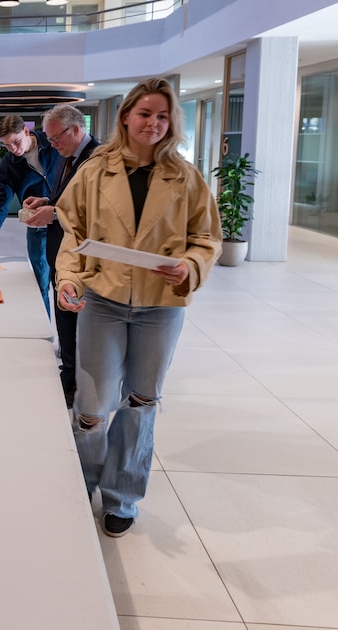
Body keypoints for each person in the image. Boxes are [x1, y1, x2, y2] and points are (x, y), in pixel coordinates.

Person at [54, 78, 221, 538]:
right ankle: (81, 484)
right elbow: (72, 232)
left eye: (162, 116)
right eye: (145, 113)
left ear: (172, 123)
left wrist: (190, 265)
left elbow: (206, 239)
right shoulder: (94, 171)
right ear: (126, 116)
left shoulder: (185, 177)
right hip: (103, 301)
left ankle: (121, 496)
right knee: (91, 407)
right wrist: (68, 278)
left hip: (160, 307)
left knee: (141, 402)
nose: (153, 123)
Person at [22, 104, 101, 408]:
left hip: (82, 259)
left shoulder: (97, 159)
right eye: (50, 140)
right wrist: (47, 200)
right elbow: (67, 198)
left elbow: (92, 213)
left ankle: (80, 382)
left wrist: (53, 213)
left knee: (77, 319)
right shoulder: (67, 157)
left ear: (76, 129)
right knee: (64, 316)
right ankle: (68, 372)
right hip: (61, 253)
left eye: (56, 139)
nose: (53, 145)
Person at [0, 115, 58, 314]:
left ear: (26, 132)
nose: (14, 149)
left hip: (67, 223)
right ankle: (44, 337)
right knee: (40, 285)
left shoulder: (52, 142)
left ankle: (67, 343)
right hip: (38, 229)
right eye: (7, 145)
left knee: (65, 284)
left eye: (16, 142)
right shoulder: (8, 165)